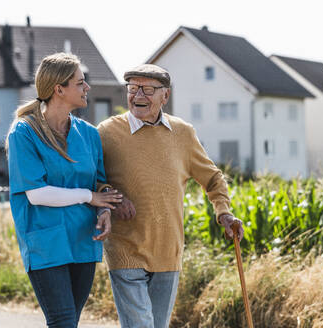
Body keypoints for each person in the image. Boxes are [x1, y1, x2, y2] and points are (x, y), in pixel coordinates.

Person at [97, 64, 245, 328]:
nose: (137, 95)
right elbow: (92, 179)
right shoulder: (107, 132)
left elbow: (212, 177)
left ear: (165, 96)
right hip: (125, 248)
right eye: (132, 88)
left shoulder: (183, 133)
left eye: (147, 89)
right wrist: (112, 196)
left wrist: (223, 211)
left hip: (168, 249)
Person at [6, 52, 122, 328]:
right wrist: (89, 197)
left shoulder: (90, 134)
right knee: (62, 321)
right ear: (59, 89)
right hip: (46, 244)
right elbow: (37, 193)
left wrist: (104, 208)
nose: (87, 88)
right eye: (80, 83)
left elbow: (99, 184)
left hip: (84, 241)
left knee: (69, 321)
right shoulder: (23, 133)